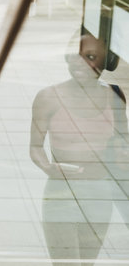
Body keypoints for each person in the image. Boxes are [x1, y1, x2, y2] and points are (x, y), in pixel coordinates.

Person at [30, 31, 128, 262]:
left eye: (91, 57)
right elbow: (35, 147)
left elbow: (123, 141)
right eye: (75, 55)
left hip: (100, 193)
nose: (80, 63)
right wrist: (47, 167)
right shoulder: (47, 97)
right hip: (61, 193)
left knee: (87, 262)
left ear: (107, 62)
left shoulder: (115, 96)